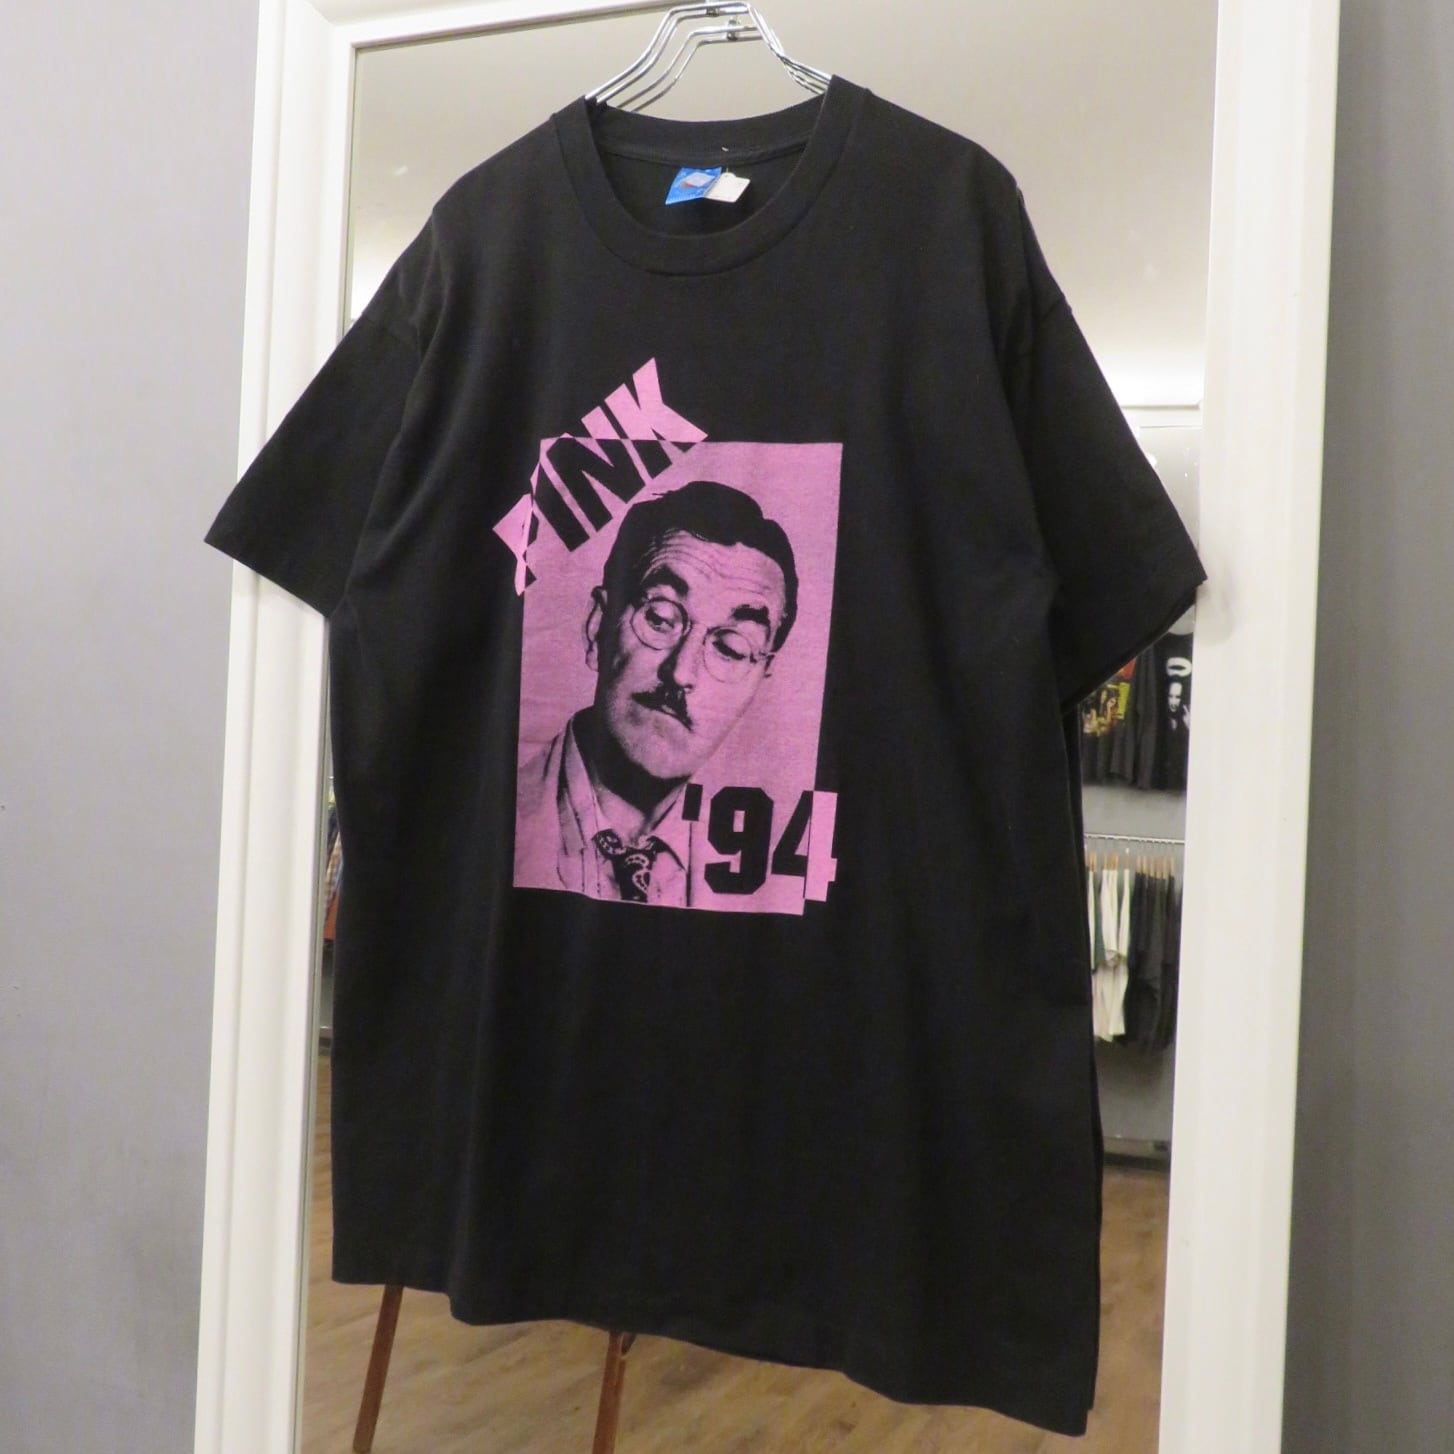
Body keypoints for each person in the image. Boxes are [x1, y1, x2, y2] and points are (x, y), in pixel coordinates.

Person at [515, 479, 799, 906]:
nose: (681, 672)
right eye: (661, 618)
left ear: (759, 680)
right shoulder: (493, 812)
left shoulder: (771, 868)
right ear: (598, 627)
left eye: (730, 647)